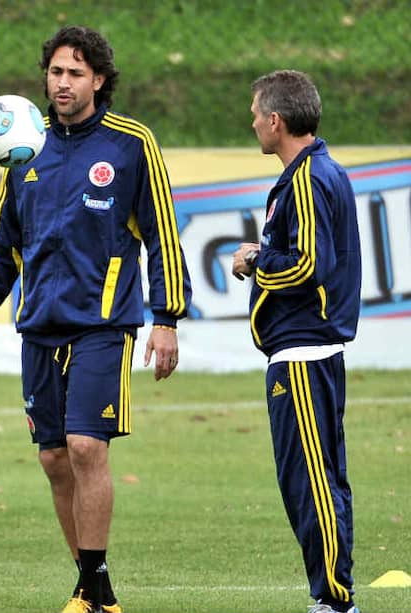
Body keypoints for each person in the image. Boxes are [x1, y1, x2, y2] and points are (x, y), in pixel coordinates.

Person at [0, 25, 191, 613]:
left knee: (88, 448)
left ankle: (98, 588)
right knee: (54, 458)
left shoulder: (130, 143)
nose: (62, 83)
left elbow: (162, 235)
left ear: (100, 80)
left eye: (76, 73)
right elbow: (4, 247)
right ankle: (88, 585)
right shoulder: (24, 149)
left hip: (103, 322)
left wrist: (167, 317)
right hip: (39, 322)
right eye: (56, 72)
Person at [232, 70, 361, 613]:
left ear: (277, 121)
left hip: (304, 355)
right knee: (319, 478)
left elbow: (310, 264)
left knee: (310, 485)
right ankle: (333, 595)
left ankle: (332, 599)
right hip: (308, 354)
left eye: (257, 113)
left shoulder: (308, 178)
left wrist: (256, 260)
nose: (254, 121)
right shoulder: (315, 173)